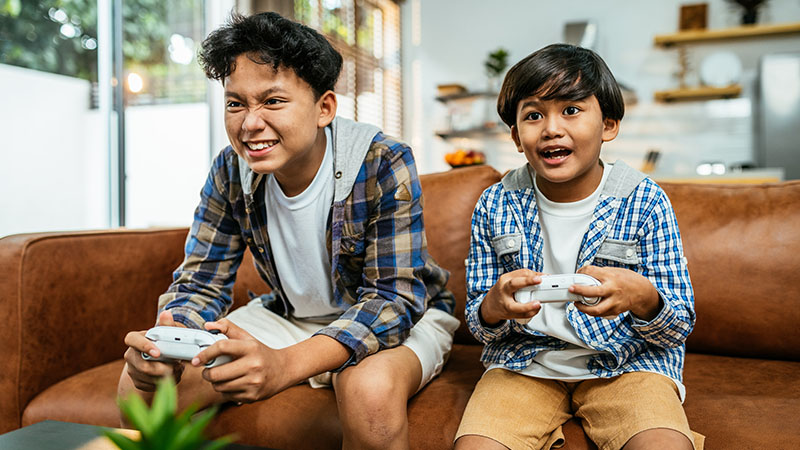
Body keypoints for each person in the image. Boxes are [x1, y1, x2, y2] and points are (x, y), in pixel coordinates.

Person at [117, 11, 459, 450]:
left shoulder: (381, 161)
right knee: (138, 392)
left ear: (324, 108)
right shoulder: (230, 169)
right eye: (235, 103)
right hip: (291, 316)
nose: (249, 124)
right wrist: (167, 342)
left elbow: (393, 299)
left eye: (273, 101)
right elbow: (200, 283)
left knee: (368, 391)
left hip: (396, 316)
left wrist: (284, 366)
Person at [453, 44, 702, 450]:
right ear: (516, 137)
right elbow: (481, 325)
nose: (551, 128)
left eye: (571, 110)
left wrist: (642, 296)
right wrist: (493, 307)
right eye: (533, 115)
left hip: (628, 364)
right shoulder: (495, 203)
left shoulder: (645, 200)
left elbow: (678, 323)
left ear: (608, 125)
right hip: (524, 364)